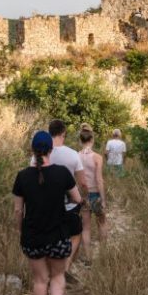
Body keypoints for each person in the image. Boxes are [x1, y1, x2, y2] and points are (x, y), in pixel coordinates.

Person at [13, 131, 82, 295]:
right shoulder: (62, 173)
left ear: (32, 151)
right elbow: (77, 199)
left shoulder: (22, 176)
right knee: (58, 277)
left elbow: (18, 211)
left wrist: (20, 230)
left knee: (40, 280)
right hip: (58, 235)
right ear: (51, 150)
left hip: (33, 237)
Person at [47, 119, 87, 278]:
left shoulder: (41, 154)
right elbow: (82, 182)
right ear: (63, 134)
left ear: (49, 133)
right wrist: (84, 197)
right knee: (75, 234)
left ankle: (51, 269)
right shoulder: (73, 154)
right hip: (69, 205)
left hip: (47, 205)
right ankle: (65, 267)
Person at [78, 124, 107, 259]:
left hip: (83, 194)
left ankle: (88, 258)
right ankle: (103, 254)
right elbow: (99, 179)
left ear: (80, 140)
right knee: (102, 222)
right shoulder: (97, 157)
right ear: (92, 140)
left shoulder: (76, 156)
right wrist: (103, 198)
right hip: (95, 194)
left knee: (86, 227)